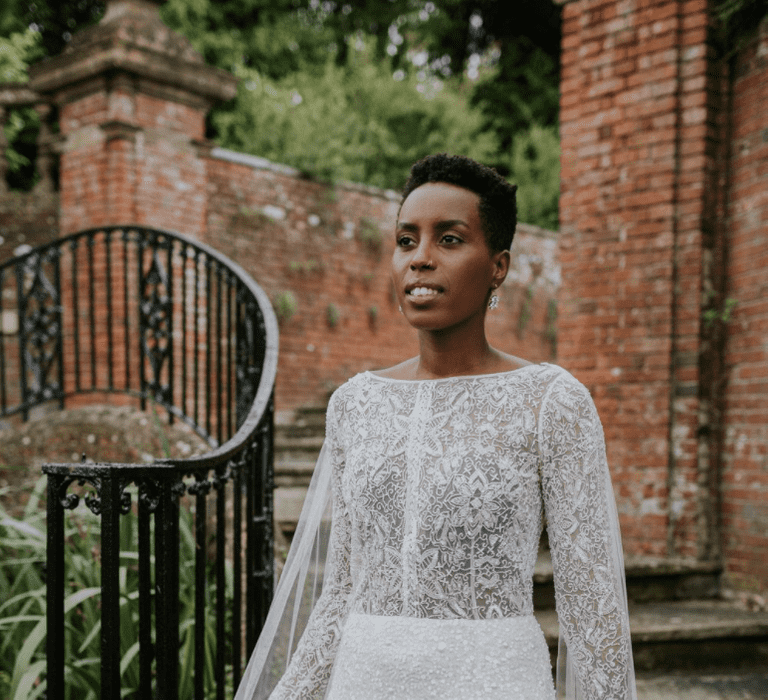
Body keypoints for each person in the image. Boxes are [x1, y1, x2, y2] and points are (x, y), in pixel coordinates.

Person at [235, 154, 638, 699]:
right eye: (406, 240)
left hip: (492, 682)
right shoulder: (356, 403)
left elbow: (591, 601)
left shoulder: (551, 402)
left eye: (449, 240)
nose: (419, 260)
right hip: (363, 680)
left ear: (498, 265)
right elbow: (341, 591)